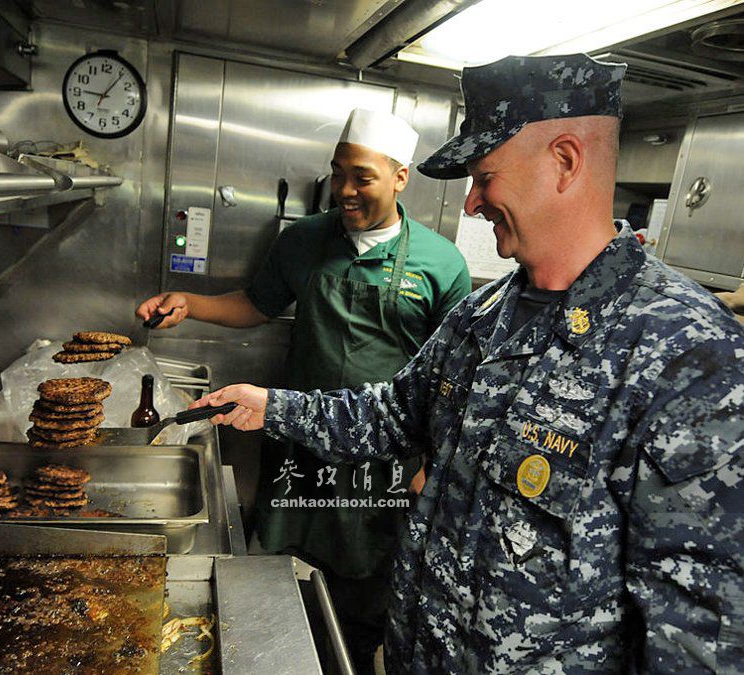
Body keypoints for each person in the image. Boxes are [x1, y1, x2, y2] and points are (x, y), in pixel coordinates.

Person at [191, 54, 744, 673]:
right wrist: (272, 407)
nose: (473, 203)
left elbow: (702, 633)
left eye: (485, 177)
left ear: (565, 160)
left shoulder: (689, 353)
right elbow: (395, 413)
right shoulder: (485, 314)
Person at [137, 108, 470, 671]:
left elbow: (453, 381)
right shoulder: (304, 240)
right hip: (296, 437)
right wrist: (190, 302)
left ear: (399, 177)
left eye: (361, 176)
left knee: (364, 595)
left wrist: (434, 462)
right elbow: (256, 304)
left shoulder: (443, 264)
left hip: (379, 461)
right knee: (279, 578)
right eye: (338, 172)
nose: (344, 189)